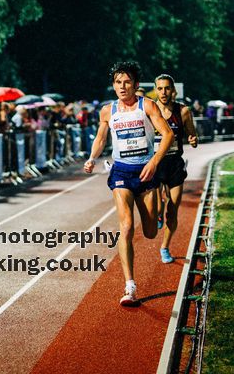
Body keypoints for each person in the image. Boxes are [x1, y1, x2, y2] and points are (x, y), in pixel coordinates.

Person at [83, 61, 173, 306]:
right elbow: (101, 138)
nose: (122, 87)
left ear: (135, 84)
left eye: (127, 82)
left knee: (151, 232)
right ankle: (130, 286)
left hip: (146, 171)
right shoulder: (107, 111)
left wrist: (154, 162)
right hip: (121, 171)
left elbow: (168, 134)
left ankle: (158, 212)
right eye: (117, 82)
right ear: (113, 85)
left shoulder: (148, 105)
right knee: (126, 226)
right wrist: (92, 158)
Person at [153, 74, 198, 263]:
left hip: (174, 164)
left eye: (167, 88)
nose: (164, 92)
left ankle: (165, 247)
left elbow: (192, 135)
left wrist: (193, 140)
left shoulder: (183, 111)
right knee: (157, 207)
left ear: (173, 90)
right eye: (160, 88)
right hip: (155, 163)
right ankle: (157, 214)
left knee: (173, 209)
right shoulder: (149, 109)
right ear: (156, 90)